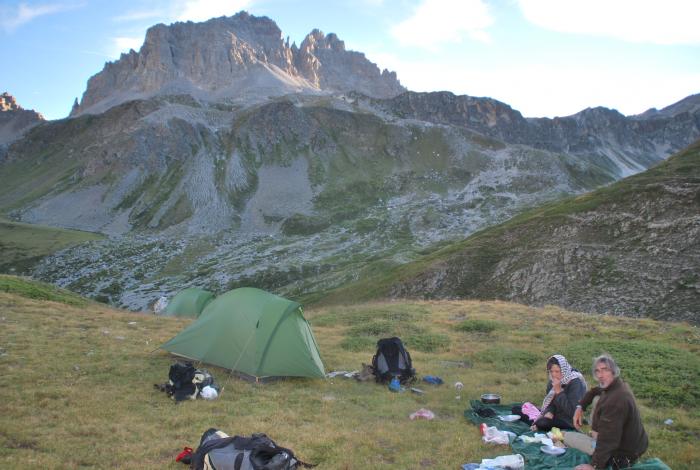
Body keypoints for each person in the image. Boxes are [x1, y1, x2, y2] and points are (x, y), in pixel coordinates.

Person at [573, 354, 648, 470]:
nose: (600, 375)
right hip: (636, 443)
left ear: (613, 371)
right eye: (597, 371)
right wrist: (580, 407)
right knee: (598, 398)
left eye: (605, 370)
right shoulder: (616, 385)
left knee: (569, 438)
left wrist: (594, 466)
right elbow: (595, 391)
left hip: (625, 452)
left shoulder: (616, 400)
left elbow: (608, 440)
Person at [530, 354, 587, 432]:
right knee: (517, 409)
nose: (554, 375)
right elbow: (550, 402)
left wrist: (559, 392)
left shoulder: (575, 382)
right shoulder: (552, 381)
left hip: (568, 420)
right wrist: (549, 412)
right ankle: (537, 423)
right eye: (551, 371)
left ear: (563, 370)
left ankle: (538, 424)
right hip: (555, 416)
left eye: (557, 371)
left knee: (542, 422)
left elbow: (573, 412)